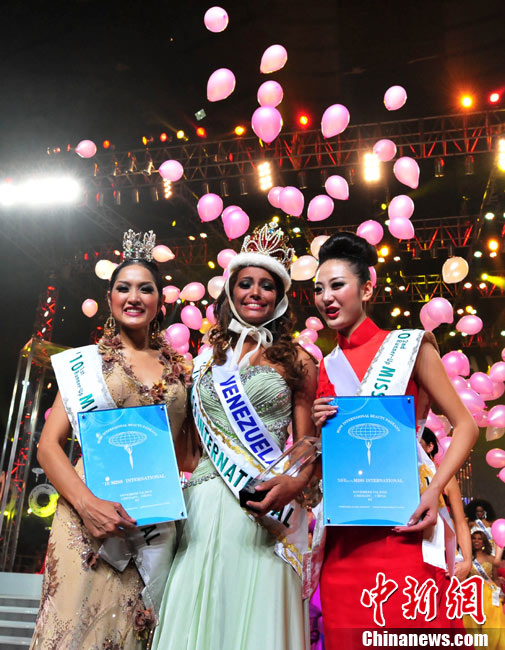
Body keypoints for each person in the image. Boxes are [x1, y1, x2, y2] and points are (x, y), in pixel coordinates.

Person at [152, 224, 318, 650]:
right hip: (203, 500)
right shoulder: (205, 360)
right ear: (231, 291)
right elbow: (189, 446)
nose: (255, 292)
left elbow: (307, 443)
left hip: (265, 505)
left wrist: (296, 482)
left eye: (267, 285)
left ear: (280, 297)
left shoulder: (298, 360)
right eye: (246, 283)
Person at [311, 232, 478, 648]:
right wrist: (317, 431)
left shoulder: (409, 347)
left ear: (367, 289)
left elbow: (466, 425)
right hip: (345, 538)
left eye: (337, 285)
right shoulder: (324, 366)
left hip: (406, 525)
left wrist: (435, 490)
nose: (326, 297)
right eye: (318, 289)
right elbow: (327, 457)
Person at [31, 231, 192, 650]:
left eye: (145, 289)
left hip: (153, 525)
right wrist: (88, 506)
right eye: (124, 288)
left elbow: (188, 452)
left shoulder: (182, 369)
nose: (134, 297)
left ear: (160, 301)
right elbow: (48, 446)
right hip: (87, 521)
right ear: (110, 298)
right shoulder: (86, 364)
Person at [420, 428, 472, 581]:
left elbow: (460, 521)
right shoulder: (403, 477)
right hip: (410, 550)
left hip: (440, 554)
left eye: (418, 442)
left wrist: (467, 561)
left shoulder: (446, 477)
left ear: (430, 446)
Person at [463, 531, 505, 650]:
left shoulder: (491, 558)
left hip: (489, 594)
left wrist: (500, 593)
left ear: (484, 542)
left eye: (479, 538)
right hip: (472, 594)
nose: (476, 541)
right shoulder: (466, 558)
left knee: (491, 623)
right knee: (473, 624)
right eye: (474, 538)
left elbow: (495, 578)